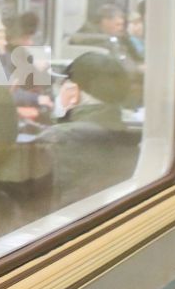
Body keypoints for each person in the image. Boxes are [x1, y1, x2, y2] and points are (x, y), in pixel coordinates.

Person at [38, 51, 138, 206]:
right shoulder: (129, 133)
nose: (57, 93)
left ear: (74, 93)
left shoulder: (55, 140)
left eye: (61, 86)